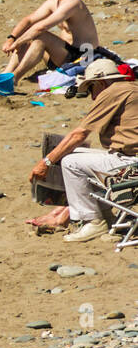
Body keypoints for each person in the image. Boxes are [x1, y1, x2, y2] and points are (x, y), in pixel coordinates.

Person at [28, 59, 138, 242]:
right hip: (129, 158)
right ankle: (107, 219)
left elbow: (79, 134)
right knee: (76, 155)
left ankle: (92, 221)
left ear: (100, 82)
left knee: (70, 162)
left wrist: (46, 162)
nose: (93, 96)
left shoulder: (112, 91)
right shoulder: (131, 88)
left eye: (90, 89)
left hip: (131, 163)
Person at [1, 0, 120, 85]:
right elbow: (29, 20)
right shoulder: (54, 2)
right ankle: (6, 74)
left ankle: (13, 78)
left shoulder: (72, 3)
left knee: (39, 35)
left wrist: (18, 43)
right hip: (62, 56)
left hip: (83, 56)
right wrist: (12, 38)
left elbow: (41, 27)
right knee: (27, 32)